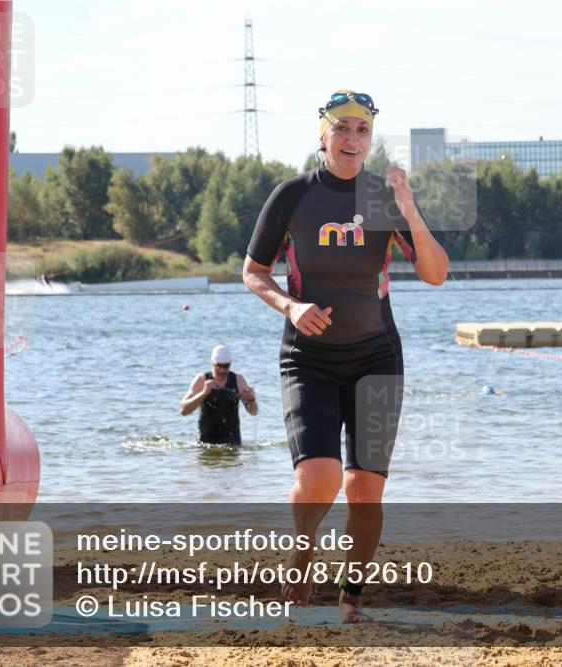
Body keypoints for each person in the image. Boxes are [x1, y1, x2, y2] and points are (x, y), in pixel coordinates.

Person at [242, 89, 449, 623]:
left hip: (377, 355)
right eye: (342, 128)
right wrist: (289, 306)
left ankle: (352, 599)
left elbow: (436, 273)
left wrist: (409, 212)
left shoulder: (385, 197)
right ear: (323, 134)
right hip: (307, 356)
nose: (352, 139)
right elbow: (253, 270)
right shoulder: (291, 196)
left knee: (364, 489)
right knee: (319, 478)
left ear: (371, 138)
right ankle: (305, 546)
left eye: (362, 130)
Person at [180, 345, 257, 445]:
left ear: (230, 364)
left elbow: (253, 412)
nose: (222, 370)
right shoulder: (202, 380)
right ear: (212, 363)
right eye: (219, 366)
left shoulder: (238, 380)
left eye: (226, 366)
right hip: (205, 443)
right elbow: (183, 410)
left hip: (232, 442)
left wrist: (251, 399)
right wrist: (204, 393)